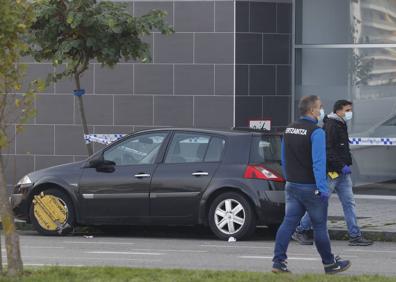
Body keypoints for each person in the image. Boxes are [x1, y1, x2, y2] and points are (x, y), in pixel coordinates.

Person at [272, 95, 351, 274]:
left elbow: (284, 159)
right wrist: (323, 189)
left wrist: (289, 178)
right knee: (320, 227)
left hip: (292, 185)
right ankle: (330, 264)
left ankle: (278, 262)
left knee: (288, 224)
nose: (322, 110)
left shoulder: (289, 129)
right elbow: (318, 163)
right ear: (312, 110)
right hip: (311, 187)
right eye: (320, 107)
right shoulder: (316, 132)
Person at [292, 100, 373, 246]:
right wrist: (341, 166)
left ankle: (355, 236)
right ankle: (300, 230)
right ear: (338, 111)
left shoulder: (341, 124)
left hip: (342, 174)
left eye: (350, 110)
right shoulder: (331, 126)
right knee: (319, 203)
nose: (350, 113)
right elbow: (328, 150)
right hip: (332, 173)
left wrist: (345, 165)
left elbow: (341, 148)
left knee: (349, 204)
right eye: (347, 110)